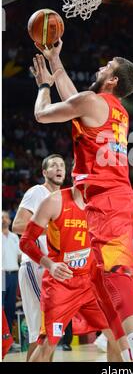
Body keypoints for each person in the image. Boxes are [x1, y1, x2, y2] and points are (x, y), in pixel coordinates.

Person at [30, 43, 133, 362]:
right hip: (116, 200)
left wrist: (44, 85)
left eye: (107, 65)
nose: (101, 67)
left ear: (112, 80)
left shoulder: (91, 101)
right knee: (102, 285)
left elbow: (42, 115)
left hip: (108, 202)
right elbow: (76, 100)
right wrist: (56, 60)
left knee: (115, 277)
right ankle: (130, 358)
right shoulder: (115, 109)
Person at [19, 185, 129, 362]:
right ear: (75, 175)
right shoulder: (54, 201)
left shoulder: (101, 204)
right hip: (61, 284)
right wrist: (50, 264)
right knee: (47, 345)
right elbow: (26, 242)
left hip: (91, 283)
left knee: (117, 336)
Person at [12, 154, 66, 361]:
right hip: (35, 265)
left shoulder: (63, 198)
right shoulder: (37, 192)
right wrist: (51, 226)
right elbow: (17, 225)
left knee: (50, 331)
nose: (59, 168)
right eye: (53, 165)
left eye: (61, 165)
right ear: (44, 172)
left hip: (53, 268)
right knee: (40, 330)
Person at [2, 211, 21, 346]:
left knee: (10, 308)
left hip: (14, 274)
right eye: (1, 217)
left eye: (6, 217)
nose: (4, 219)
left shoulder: (15, 237)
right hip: (1, 275)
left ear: (10, 220)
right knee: (1, 308)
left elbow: (20, 256)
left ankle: (8, 340)